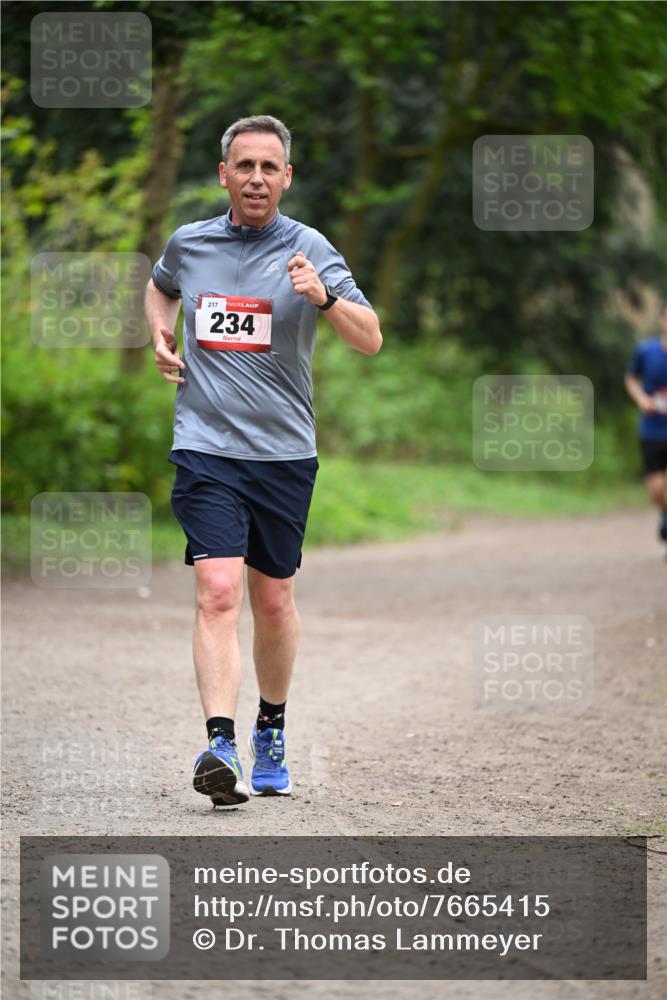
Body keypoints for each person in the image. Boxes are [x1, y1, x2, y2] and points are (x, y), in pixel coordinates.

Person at [144, 115, 382, 806]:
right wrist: (160, 334)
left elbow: (369, 339)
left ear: (286, 177)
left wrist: (326, 298)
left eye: (268, 168)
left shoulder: (309, 249)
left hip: (283, 454)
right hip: (205, 447)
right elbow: (160, 285)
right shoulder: (189, 244)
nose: (255, 178)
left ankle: (269, 729)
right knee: (217, 590)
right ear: (223, 174)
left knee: (272, 598)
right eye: (243, 166)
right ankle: (219, 745)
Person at [624, 300, 667, 553]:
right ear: (662, 320)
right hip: (651, 429)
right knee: (656, 490)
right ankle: (664, 517)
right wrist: (641, 399)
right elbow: (630, 378)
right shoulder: (646, 351)